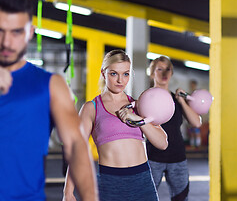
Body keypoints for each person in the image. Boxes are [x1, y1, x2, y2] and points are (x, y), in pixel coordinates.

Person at [0, 0, 98, 201]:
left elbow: (76, 145)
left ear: (30, 32)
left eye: (16, 32)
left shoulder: (50, 85)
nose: (6, 43)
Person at [63, 49, 168, 201]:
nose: (120, 80)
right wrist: (68, 192)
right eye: (114, 73)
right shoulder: (91, 108)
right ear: (103, 73)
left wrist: (137, 119)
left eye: (125, 74)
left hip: (142, 181)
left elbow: (163, 143)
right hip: (109, 183)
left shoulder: (139, 105)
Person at [145, 56, 202, 201]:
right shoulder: (145, 100)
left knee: (181, 198)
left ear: (171, 73)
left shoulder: (177, 99)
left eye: (167, 69)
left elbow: (196, 122)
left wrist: (182, 101)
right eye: (159, 69)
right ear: (152, 74)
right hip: (153, 158)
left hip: (177, 158)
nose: (164, 73)